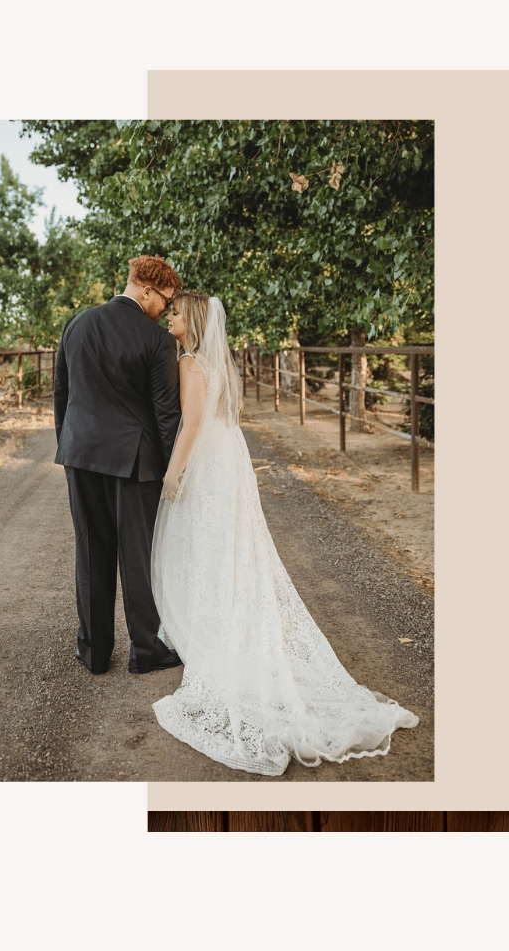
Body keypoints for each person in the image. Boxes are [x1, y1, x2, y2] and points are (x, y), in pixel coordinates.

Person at [151, 291, 419, 776]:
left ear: (190, 320)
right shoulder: (214, 360)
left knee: (207, 548)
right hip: (229, 457)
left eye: (174, 312)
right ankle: (228, 620)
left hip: (208, 459)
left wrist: (174, 472)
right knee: (232, 548)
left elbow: (190, 425)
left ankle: (213, 630)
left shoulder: (190, 362)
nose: (168, 316)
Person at [54, 255, 185, 675]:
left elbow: (62, 394)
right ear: (146, 290)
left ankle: (93, 652)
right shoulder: (157, 341)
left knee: (90, 549)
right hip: (134, 460)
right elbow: (167, 416)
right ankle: (145, 651)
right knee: (137, 554)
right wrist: (173, 470)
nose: (165, 308)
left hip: (79, 453)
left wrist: (69, 445)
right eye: (165, 299)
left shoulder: (77, 324)